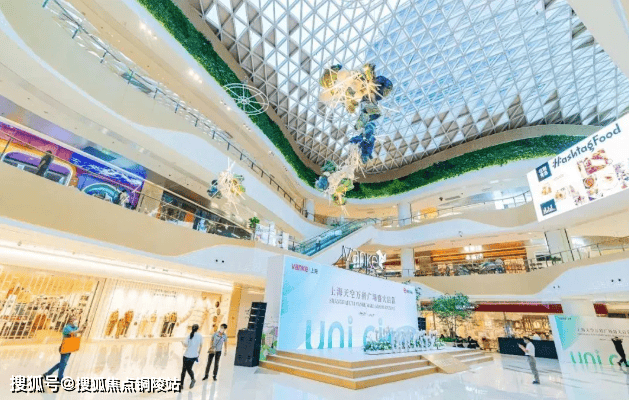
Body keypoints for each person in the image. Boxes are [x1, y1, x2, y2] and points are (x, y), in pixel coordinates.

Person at [180, 324, 203, 390]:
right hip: (194, 356)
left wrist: (182, 342)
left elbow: (185, 345)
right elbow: (201, 345)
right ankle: (193, 379)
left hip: (187, 355)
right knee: (189, 369)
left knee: (184, 370)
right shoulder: (200, 336)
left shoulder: (189, 335)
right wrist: (198, 354)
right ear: (197, 329)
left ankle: (181, 385)